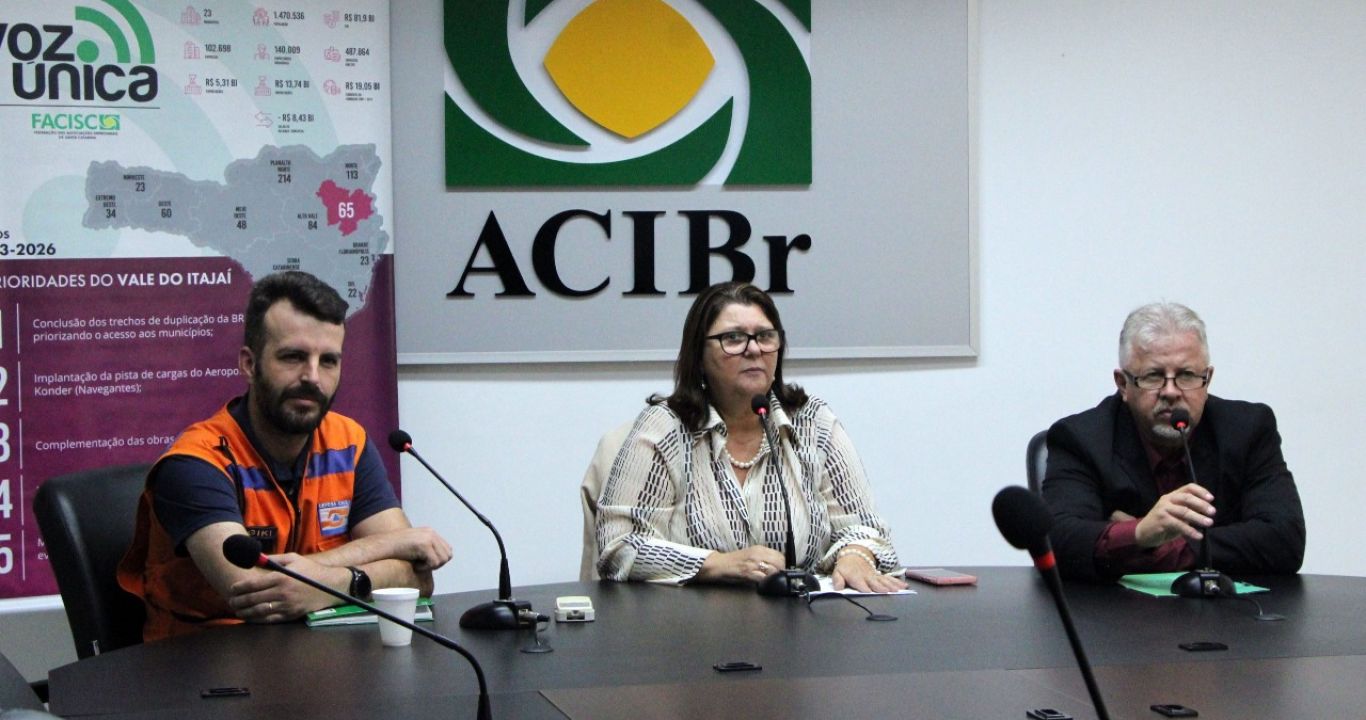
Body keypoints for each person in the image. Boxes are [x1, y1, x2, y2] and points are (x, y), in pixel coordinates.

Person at [118, 271, 452, 640]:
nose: (313, 377)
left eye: (328, 361)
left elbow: (416, 578)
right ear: (249, 364)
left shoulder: (348, 443)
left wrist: (338, 581)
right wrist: (386, 545)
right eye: (293, 357)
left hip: (319, 655)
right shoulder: (196, 462)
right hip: (204, 659)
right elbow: (254, 591)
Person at [595, 282, 905, 592]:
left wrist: (856, 555)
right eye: (733, 338)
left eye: (765, 336)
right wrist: (716, 564)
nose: (754, 349)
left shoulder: (813, 423)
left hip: (801, 618)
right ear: (699, 355)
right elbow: (618, 546)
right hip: (690, 618)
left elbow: (867, 528)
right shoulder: (666, 427)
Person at [1041, 302, 1305, 581]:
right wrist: (1142, 533)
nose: (1170, 392)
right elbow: (1057, 541)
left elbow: (1285, 540)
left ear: (1207, 379)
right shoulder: (1081, 438)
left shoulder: (1247, 430)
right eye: (1153, 376)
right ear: (1123, 384)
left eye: (1186, 375)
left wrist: (1150, 543)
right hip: (1116, 608)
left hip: (1225, 608)